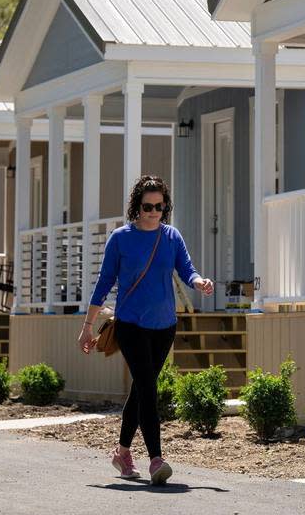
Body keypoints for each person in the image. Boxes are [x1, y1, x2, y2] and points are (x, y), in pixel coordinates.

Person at [77, 175, 213, 485]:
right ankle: (156, 459)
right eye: (148, 206)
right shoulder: (121, 239)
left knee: (142, 388)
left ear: (166, 207)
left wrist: (199, 282)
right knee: (148, 389)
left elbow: (186, 269)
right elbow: (104, 284)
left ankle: (122, 452)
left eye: (160, 207)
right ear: (136, 207)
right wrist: (87, 327)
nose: (154, 212)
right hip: (131, 325)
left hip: (164, 325)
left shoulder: (171, 237)